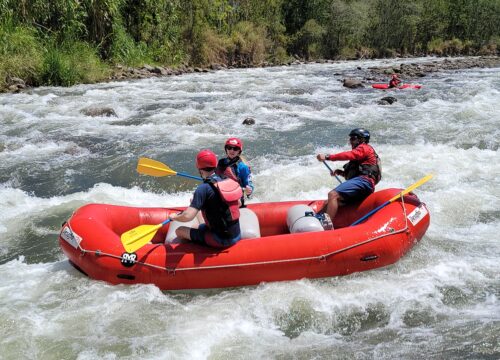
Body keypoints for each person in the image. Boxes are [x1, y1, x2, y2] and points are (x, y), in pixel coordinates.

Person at [168, 149, 243, 248]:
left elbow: (188, 216)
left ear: (199, 169)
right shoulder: (226, 180)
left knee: (179, 230)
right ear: (215, 165)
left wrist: (174, 217)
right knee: (201, 222)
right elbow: (239, 203)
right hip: (236, 234)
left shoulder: (202, 189)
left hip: (220, 239)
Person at [316, 128, 382, 222]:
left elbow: (350, 155)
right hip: (362, 185)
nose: (350, 141)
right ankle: (316, 220)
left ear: (362, 139)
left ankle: (326, 224)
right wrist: (341, 172)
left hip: (364, 182)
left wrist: (327, 157)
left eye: (353, 138)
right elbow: (355, 174)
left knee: (332, 195)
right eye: (350, 139)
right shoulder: (361, 155)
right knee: (329, 202)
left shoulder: (365, 148)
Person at [216, 137, 254, 206]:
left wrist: (249, 190)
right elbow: (215, 178)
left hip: (237, 197)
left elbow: (249, 184)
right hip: (223, 193)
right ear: (226, 149)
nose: (232, 150)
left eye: (235, 149)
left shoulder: (243, 167)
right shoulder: (221, 163)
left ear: (239, 151)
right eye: (229, 148)